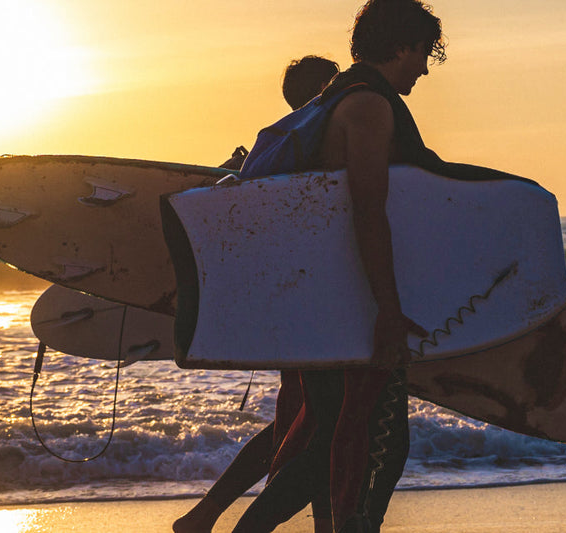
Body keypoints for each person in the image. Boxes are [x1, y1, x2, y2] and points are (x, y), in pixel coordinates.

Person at [230, 2, 446, 532]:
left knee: (331, 435)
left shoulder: (337, 97)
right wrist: (388, 310)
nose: (424, 66)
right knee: (378, 441)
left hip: (322, 299)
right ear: (402, 45)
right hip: (349, 300)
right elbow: (367, 213)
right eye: (423, 52)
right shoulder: (368, 107)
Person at [172, 55, 341, 533]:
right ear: (324, 92)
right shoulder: (311, 143)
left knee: (306, 422)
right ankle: (216, 517)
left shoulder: (278, 145)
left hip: (295, 306)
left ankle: (205, 515)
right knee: (318, 425)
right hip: (318, 308)